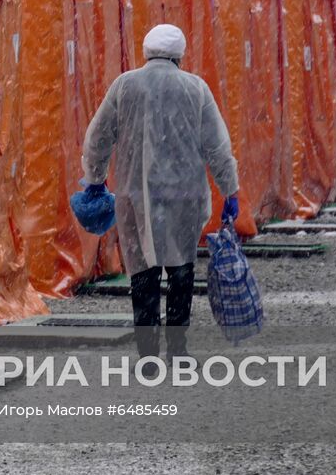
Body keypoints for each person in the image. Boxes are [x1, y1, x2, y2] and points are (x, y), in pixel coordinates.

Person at [81, 24, 239, 362]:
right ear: (179, 55)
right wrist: (230, 190)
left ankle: (148, 355)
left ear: (147, 51)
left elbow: (98, 137)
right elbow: (217, 146)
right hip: (185, 196)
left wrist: (95, 179)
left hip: (135, 195)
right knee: (181, 271)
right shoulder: (196, 88)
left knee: (142, 273)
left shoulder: (125, 85)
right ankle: (178, 351)